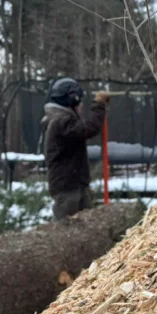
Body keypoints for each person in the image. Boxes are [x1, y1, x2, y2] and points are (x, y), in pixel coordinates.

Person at [41, 78, 110, 220]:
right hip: (67, 188)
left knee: (87, 227)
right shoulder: (60, 122)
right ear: (71, 100)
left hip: (75, 185)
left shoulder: (62, 120)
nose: (82, 105)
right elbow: (88, 129)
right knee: (67, 231)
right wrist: (99, 105)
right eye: (79, 101)